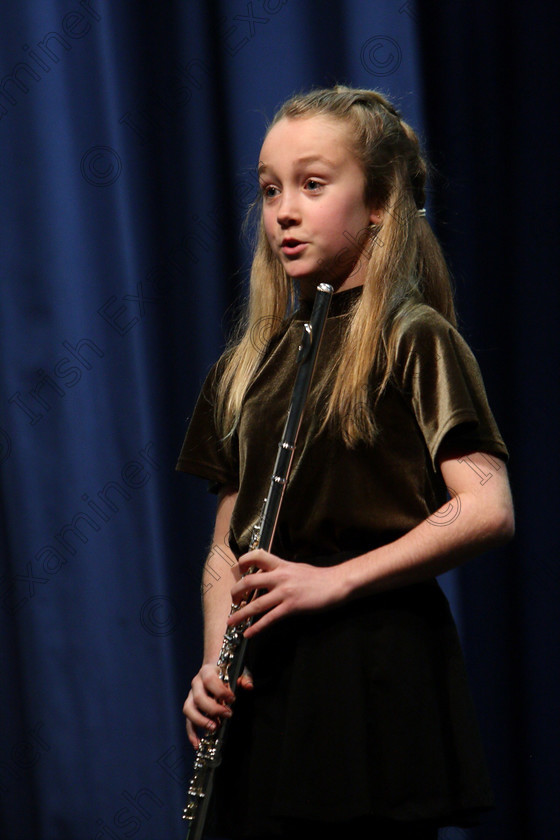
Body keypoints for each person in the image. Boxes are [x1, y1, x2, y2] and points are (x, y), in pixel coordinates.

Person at [176, 86, 515, 840]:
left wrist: (332, 579)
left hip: (373, 670)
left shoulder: (413, 337)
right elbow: (226, 549)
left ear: (381, 204)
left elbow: (489, 507)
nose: (284, 211)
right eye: (270, 190)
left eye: (313, 184)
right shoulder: (249, 367)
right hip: (271, 680)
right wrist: (212, 668)